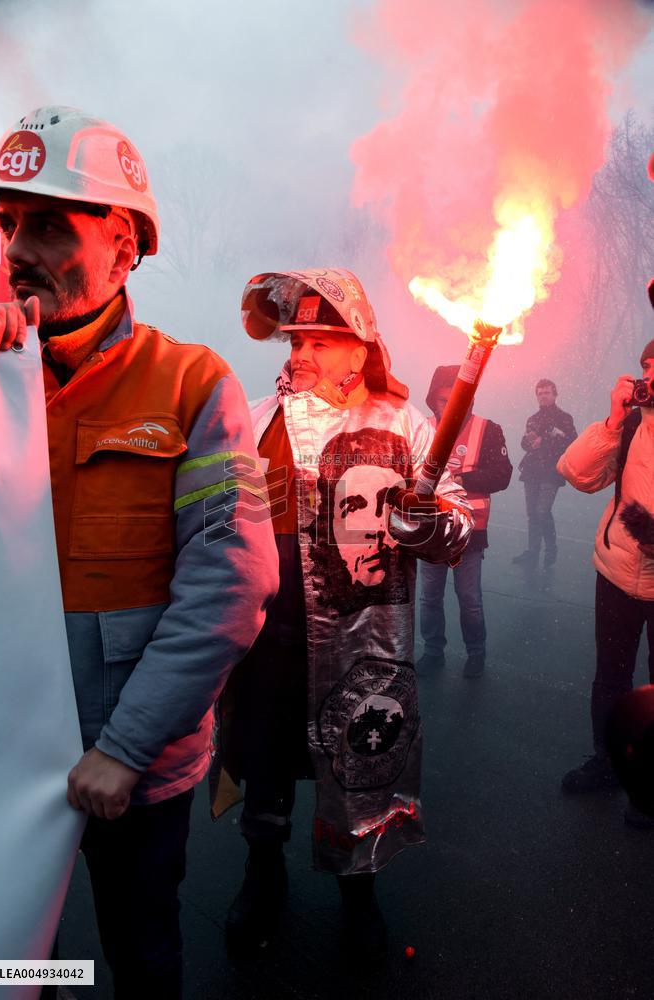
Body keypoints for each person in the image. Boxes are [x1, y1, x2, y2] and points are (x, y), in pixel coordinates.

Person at [0, 106, 278, 998]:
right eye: (4, 224)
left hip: (130, 765)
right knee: (8, 953)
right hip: (0, 754)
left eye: (47, 223)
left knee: (141, 948)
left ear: (124, 243)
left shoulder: (192, 384)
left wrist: (124, 746)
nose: (15, 250)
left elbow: (230, 584)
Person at [214, 268, 473, 959]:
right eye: (293, 339)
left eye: (319, 340)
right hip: (266, 643)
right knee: (264, 766)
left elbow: (457, 531)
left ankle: (359, 895)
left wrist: (426, 526)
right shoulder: (253, 416)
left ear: (359, 349)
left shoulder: (403, 424)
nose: (298, 353)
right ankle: (261, 877)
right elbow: (212, 521)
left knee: (359, 771)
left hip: (364, 646)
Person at [558, 338, 654, 828]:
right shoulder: (633, 422)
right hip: (617, 569)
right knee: (610, 680)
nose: (649, 375)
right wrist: (614, 420)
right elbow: (576, 474)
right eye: (645, 367)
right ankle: (608, 762)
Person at [418, 365, 512, 678]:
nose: (449, 407)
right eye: (443, 400)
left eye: (456, 399)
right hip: (429, 531)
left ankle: (476, 654)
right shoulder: (422, 428)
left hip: (469, 531)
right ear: (433, 401)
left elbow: (503, 475)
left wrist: (459, 477)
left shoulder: (488, 429)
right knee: (429, 598)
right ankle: (433, 652)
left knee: (469, 599)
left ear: (469, 400)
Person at [512, 379, 576, 568]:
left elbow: (572, 443)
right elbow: (525, 445)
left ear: (555, 394)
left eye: (547, 393)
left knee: (542, 511)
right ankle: (533, 552)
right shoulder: (533, 419)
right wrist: (528, 442)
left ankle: (551, 549)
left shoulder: (565, 418)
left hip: (551, 470)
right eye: (540, 393)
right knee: (532, 512)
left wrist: (546, 442)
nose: (543, 396)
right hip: (532, 470)